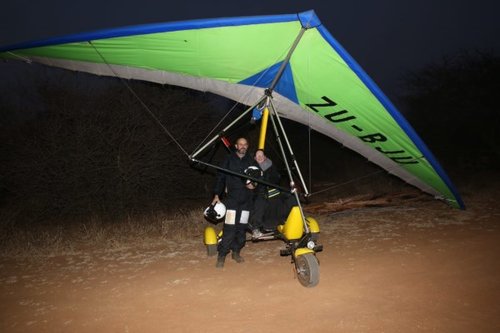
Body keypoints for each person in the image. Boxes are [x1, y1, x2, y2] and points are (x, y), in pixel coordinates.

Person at [212, 137, 257, 268]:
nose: (243, 146)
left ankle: (236, 252)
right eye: (240, 144)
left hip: (246, 201)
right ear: (236, 146)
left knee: (241, 228)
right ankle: (221, 255)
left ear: (247, 146)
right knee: (230, 228)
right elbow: (220, 177)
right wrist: (216, 194)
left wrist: (253, 185)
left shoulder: (251, 161)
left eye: (245, 144)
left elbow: (258, 177)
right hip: (232, 200)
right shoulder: (228, 160)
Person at [250, 149, 296, 238]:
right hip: (261, 194)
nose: (259, 157)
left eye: (261, 155)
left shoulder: (271, 166)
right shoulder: (252, 169)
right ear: (255, 158)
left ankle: (290, 220)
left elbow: (276, 178)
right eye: (257, 156)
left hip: (274, 192)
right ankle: (256, 228)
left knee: (292, 197)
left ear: (265, 157)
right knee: (260, 202)